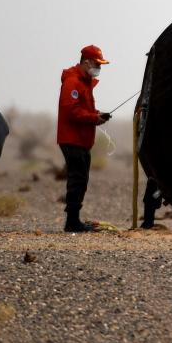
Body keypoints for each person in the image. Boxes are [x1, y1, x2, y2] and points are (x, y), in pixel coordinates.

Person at [57, 45, 112, 232]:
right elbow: (70, 111)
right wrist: (93, 118)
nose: (99, 68)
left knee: (81, 179)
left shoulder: (85, 82)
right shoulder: (73, 82)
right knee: (77, 179)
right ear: (86, 62)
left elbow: (83, 110)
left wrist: (97, 115)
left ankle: (74, 220)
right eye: (97, 64)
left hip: (82, 140)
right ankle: (72, 222)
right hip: (72, 139)